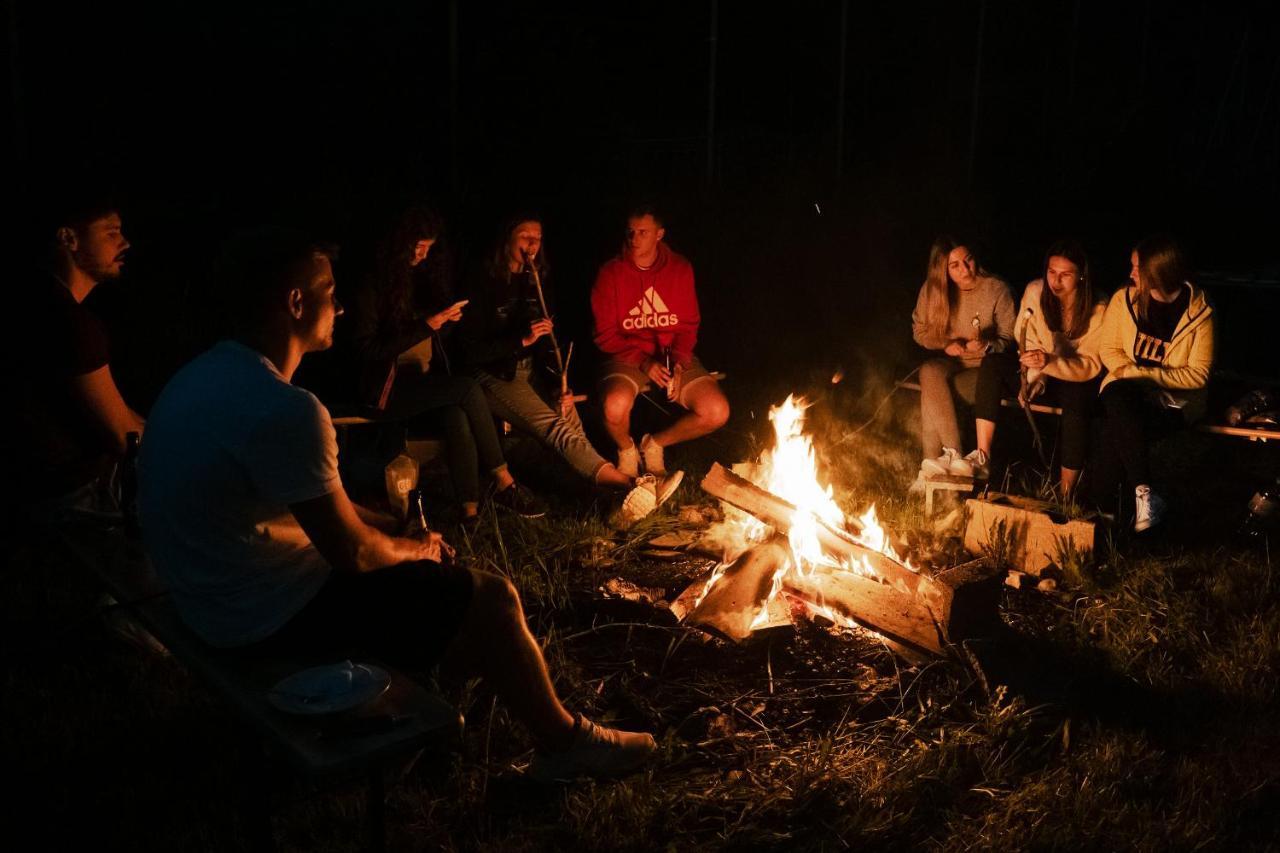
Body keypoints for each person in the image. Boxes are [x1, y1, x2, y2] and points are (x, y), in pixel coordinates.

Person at [138, 228, 656, 781]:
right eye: (329, 292)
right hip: (264, 621)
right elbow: (353, 555)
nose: (338, 305)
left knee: (434, 585)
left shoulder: (200, 379)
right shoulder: (286, 411)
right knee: (494, 599)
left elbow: (293, 504)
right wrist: (414, 552)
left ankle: (437, 710)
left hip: (207, 601)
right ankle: (565, 741)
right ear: (295, 303)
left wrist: (394, 528)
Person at [457, 214, 681, 521]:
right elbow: (470, 350)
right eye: (524, 237)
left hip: (529, 371)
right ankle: (631, 485)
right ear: (507, 239)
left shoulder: (536, 279)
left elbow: (547, 342)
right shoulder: (482, 280)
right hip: (494, 374)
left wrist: (556, 381)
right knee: (556, 429)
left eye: (537, 238)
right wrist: (520, 340)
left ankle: (608, 500)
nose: (532, 244)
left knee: (569, 414)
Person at [351, 205, 546, 523]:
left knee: (456, 411)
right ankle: (504, 480)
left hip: (420, 381)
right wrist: (427, 325)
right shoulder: (371, 284)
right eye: (418, 246)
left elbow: (429, 335)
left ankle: (468, 510)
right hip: (383, 389)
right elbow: (369, 350)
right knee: (467, 388)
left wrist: (446, 321)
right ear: (398, 244)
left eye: (427, 247)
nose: (422, 254)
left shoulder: (415, 279)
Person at [10, 192, 145, 513]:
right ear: (68, 238)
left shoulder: (33, 302)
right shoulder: (68, 323)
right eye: (111, 232)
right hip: (68, 501)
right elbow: (121, 434)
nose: (124, 243)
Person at [592, 206, 730, 477]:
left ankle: (654, 444)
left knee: (716, 411)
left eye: (642, 232)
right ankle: (627, 450)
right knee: (614, 405)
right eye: (630, 231)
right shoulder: (610, 273)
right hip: (627, 356)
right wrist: (644, 363)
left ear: (659, 234)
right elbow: (604, 335)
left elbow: (689, 325)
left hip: (670, 355)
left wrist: (677, 362)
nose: (634, 238)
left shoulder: (679, 269)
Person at [969, 239, 1106, 499]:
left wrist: (1050, 363)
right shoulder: (1035, 291)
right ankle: (982, 458)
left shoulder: (1098, 307)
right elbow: (1027, 340)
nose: (1056, 280)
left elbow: (1091, 364)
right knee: (993, 364)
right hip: (1043, 372)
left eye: (1065, 274)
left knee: (1078, 401)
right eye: (1052, 272)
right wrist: (1035, 378)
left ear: (1081, 276)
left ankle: (1066, 494)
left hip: (1075, 378)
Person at [1094, 235, 1213, 532]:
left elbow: (1198, 374)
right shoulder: (1125, 299)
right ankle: (1145, 496)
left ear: (1158, 272)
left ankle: (1103, 514)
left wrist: (1146, 377)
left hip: (1174, 402)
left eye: (1137, 267)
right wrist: (1131, 375)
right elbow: (1108, 348)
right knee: (1120, 399)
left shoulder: (1200, 312)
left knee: (1117, 428)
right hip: (1125, 391)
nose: (1131, 273)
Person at [910, 236, 1015, 483]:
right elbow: (920, 331)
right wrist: (946, 344)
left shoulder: (996, 289)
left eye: (968, 260)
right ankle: (955, 455)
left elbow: (1010, 338)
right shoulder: (933, 289)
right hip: (953, 363)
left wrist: (988, 344)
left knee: (933, 393)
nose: (965, 269)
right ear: (943, 269)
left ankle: (930, 472)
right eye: (954, 265)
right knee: (929, 371)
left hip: (984, 368)